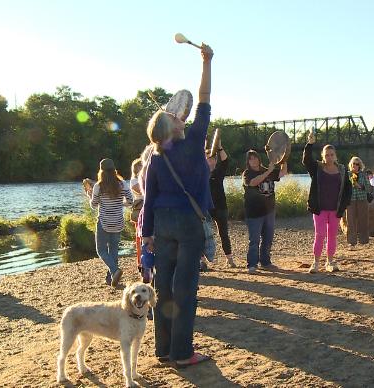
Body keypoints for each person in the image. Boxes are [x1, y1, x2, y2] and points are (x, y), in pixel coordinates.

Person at [141, 43, 214, 367]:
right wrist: (206, 62)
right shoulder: (195, 139)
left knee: (163, 287)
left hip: (162, 223)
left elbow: (150, 197)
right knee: (185, 289)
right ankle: (183, 353)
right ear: (174, 127)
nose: (179, 114)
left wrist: (147, 235)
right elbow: (204, 99)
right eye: (173, 115)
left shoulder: (155, 158)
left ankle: (163, 350)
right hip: (187, 224)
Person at [303, 131, 352, 273]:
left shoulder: (342, 170)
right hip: (320, 208)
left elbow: (348, 189)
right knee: (320, 234)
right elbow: (306, 160)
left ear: (335, 155)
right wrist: (309, 144)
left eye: (331, 154)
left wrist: (344, 205)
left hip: (335, 210)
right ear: (323, 156)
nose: (329, 157)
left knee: (332, 236)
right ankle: (315, 262)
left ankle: (330, 261)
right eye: (326, 155)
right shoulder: (317, 168)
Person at [85, 158, 133, 287]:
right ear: (114, 170)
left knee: (101, 250)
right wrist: (120, 204)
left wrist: (89, 196)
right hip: (118, 221)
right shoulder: (122, 184)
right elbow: (130, 201)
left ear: (101, 171)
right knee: (113, 250)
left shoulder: (98, 186)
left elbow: (94, 205)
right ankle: (111, 277)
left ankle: (115, 270)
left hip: (104, 222)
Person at [242, 149, 287, 274]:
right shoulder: (247, 173)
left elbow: (283, 172)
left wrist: (284, 158)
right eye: (251, 159)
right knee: (254, 240)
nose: (254, 160)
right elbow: (252, 183)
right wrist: (268, 171)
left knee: (268, 238)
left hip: (269, 211)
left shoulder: (268, 170)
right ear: (248, 162)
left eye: (255, 157)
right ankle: (252, 264)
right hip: (254, 212)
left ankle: (265, 262)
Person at [206, 137, 236, 269]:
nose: (210, 161)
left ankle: (229, 259)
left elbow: (225, 161)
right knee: (203, 234)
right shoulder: (199, 173)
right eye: (208, 159)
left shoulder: (218, 172)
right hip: (205, 208)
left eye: (212, 159)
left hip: (220, 207)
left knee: (223, 233)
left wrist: (219, 146)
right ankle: (202, 260)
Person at [346, 156, 371, 248]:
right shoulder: (347, 174)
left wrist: (360, 186)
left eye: (357, 164)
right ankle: (351, 242)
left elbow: (369, 187)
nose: (355, 166)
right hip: (351, 200)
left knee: (363, 220)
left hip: (362, 199)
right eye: (354, 164)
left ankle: (364, 241)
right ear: (351, 165)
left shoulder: (363, 174)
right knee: (351, 221)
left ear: (360, 165)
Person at [129, 158, 144, 272]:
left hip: (147, 209)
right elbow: (142, 191)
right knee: (139, 237)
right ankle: (140, 262)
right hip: (139, 211)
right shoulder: (134, 180)